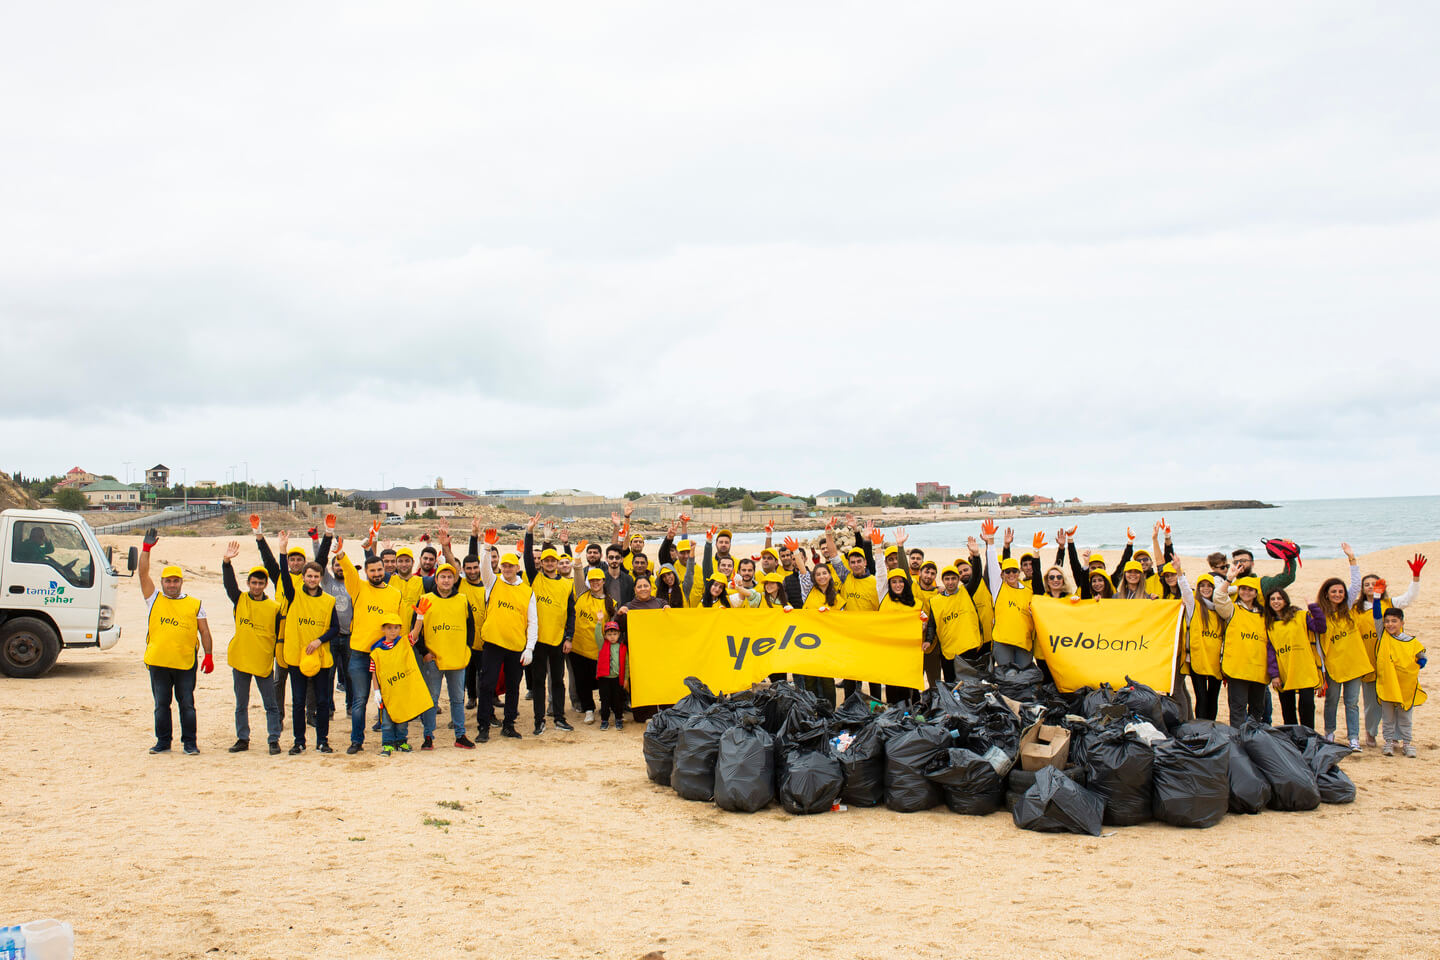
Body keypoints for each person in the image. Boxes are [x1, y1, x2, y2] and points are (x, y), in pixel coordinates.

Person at [137, 528, 214, 755]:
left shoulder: (195, 603)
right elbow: (142, 574)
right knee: (161, 705)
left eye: (176, 581)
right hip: (158, 662)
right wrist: (146, 550)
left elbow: (205, 631)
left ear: (182, 582)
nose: (172, 585)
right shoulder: (154, 599)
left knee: (187, 705)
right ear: (162, 582)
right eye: (168, 581)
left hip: (184, 663)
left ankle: (189, 743)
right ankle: (163, 742)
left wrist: (208, 655)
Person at [334, 534, 405, 754]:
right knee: (359, 701)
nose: (376, 574)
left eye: (379, 570)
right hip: (359, 654)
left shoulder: (395, 594)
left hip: (386, 655)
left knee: (388, 699)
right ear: (366, 573)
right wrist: (340, 553)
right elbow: (346, 568)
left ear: (385, 570)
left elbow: (399, 625)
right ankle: (357, 741)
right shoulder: (358, 588)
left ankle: (391, 739)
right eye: (372, 571)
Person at [1355, 554, 1425, 747]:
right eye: (1366, 584)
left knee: (1395, 698)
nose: (1370, 587)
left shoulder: (1391, 604)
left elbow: (1410, 598)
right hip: (1368, 659)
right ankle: (1370, 733)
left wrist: (1416, 577)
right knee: (1371, 702)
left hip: (1393, 661)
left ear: (1381, 587)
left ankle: (1395, 737)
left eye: (1374, 584)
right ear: (1362, 588)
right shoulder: (1356, 608)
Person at [220, 541, 282, 754]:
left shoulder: (274, 608)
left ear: (266, 585)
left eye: (260, 583)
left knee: (271, 705)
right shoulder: (241, 600)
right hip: (240, 659)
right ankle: (242, 738)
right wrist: (227, 562)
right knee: (241, 704)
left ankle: (273, 739)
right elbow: (229, 585)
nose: (257, 586)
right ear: (248, 583)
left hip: (263, 661)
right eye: (253, 583)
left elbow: (276, 636)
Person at [476, 530, 538, 742]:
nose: (507, 569)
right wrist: (485, 547)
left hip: (515, 647)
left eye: (511, 565)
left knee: (513, 687)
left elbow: (532, 622)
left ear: (517, 568)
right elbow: (484, 567)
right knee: (486, 685)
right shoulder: (492, 582)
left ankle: (509, 724)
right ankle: (483, 726)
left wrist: (530, 648)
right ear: (500, 566)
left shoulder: (527, 591)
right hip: (493, 644)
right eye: (504, 565)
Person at [276, 557, 340, 754]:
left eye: (316, 576)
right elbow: (284, 577)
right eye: (309, 576)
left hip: (320, 658)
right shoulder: (293, 595)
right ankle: (299, 742)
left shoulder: (329, 601)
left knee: (321, 701)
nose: (312, 579)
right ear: (303, 577)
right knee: (298, 701)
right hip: (297, 657)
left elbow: (335, 628)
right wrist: (282, 551)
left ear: (321, 577)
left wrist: (319, 640)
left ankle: (322, 741)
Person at [410, 563, 477, 748]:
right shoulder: (425, 599)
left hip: (457, 658)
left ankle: (460, 735)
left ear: (454, 579)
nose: (446, 580)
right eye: (442, 577)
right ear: (436, 579)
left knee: (457, 699)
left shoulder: (462, 599)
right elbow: (414, 629)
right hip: (434, 659)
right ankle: (428, 736)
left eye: (449, 577)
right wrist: (424, 652)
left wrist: (467, 648)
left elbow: (471, 627)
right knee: (432, 699)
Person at [523, 516, 576, 735]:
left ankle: (559, 718)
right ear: (542, 564)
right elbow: (527, 558)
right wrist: (530, 532)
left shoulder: (566, 584)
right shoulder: (536, 579)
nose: (551, 563)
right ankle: (539, 721)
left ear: (557, 563)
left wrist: (569, 637)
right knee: (537, 683)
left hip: (557, 640)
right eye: (546, 561)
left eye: (553, 561)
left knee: (558, 681)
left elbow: (571, 613)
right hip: (537, 640)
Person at [1311, 544, 1365, 749]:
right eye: (1333, 591)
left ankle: (1353, 739)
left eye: (1341, 591)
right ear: (1326, 594)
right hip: (1332, 667)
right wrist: (1322, 670)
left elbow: (1357, 586)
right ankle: (1330, 735)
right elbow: (1317, 645)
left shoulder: (1348, 608)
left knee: (1352, 703)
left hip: (1354, 665)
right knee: (1331, 702)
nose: (1338, 594)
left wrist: (1352, 559)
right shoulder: (1320, 615)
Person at [1369, 592, 1425, 757]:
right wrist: (1377, 597)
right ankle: (1388, 743)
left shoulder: (1411, 640)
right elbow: (1377, 615)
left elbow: (1421, 655)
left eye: (1394, 621)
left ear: (1402, 623)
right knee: (1388, 717)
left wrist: (1421, 662)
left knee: (1405, 716)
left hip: (1406, 686)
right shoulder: (1383, 636)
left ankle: (1407, 743)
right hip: (1388, 683)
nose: (1389, 624)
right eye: (1387, 621)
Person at [369, 612, 432, 756]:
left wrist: (420, 617)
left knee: (404, 717)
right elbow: (374, 672)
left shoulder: (403, 642)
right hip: (388, 691)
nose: (393, 631)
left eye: (396, 628)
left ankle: (401, 741)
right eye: (389, 628)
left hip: (403, 689)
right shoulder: (376, 650)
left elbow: (415, 633)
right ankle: (388, 743)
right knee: (387, 720)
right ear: (383, 629)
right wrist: (376, 691)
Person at [1264, 587, 1322, 728]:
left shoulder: (1300, 615)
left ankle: (1308, 736)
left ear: (1285, 600)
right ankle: (1292, 738)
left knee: (1307, 705)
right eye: (1273, 599)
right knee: (1288, 708)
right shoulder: (1269, 624)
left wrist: (1313, 607)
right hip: (1285, 670)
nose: (1276, 601)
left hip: (1304, 668)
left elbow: (1320, 627)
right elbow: (1271, 652)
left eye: (1279, 598)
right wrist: (1274, 675)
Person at [982, 521, 1034, 671]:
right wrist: (990, 541)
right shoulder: (998, 587)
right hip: (1003, 641)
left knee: (1023, 676)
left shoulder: (1028, 591)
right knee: (1008, 675)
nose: (1011, 574)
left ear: (1019, 572)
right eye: (1007, 572)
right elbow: (992, 563)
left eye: (1014, 571)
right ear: (1002, 574)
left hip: (1023, 642)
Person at [1221, 576, 1269, 726]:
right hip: (1237, 667)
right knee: (1238, 708)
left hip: (1258, 668)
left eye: (1250, 590)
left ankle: (1254, 739)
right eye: (1243, 589)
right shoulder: (1232, 609)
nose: (1246, 592)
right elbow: (1219, 596)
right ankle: (1238, 739)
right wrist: (1230, 581)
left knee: (1257, 708)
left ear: (1256, 593)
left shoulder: (1264, 614)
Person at [1185, 572, 1232, 721]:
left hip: (1215, 661)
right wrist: (1179, 571)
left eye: (1209, 586)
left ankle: (1211, 727)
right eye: (1202, 586)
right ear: (1197, 588)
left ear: (1213, 588)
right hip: (1197, 658)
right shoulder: (1193, 604)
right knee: (1202, 698)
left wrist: (1229, 582)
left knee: (1213, 698)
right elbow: (1184, 588)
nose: (1205, 589)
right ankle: (1201, 727)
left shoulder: (1220, 608)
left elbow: (1228, 592)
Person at [571, 565, 608, 723]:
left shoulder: (610, 602)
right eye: (592, 580)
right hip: (578, 648)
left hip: (598, 649)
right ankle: (588, 709)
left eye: (598, 580)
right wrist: (578, 560)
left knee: (602, 681)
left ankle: (605, 707)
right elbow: (578, 575)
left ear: (603, 581)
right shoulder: (581, 594)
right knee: (581, 681)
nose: (595, 583)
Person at [595, 621, 627, 730]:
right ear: (605, 636)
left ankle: (618, 719)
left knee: (617, 700)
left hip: (617, 679)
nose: (612, 637)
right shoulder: (602, 644)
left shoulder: (622, 647)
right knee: (605, 700)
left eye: (614, 634)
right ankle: (604, 720)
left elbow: (626, 664)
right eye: (609, 634)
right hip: (604, 679)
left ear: (619, 635)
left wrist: (626, 678)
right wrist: (599, 622)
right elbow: (597, 635)